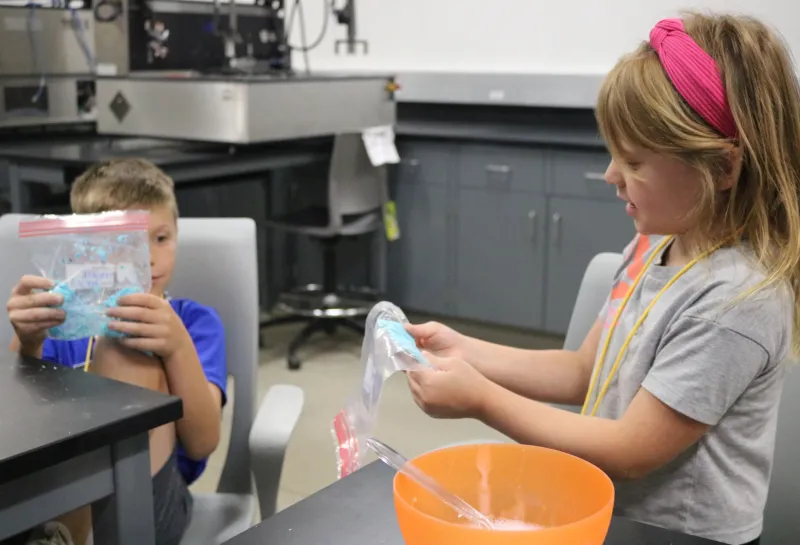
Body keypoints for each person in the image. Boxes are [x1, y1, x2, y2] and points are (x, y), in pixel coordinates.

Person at [404, 12, 800, 545]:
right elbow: (583, 370)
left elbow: (631, 451)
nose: (612, 175)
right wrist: (465, 352)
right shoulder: (653, 244)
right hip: (609, 517)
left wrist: (482, 399)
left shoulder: (734, 299)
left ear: (724, 169)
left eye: (634, 161)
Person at [5, 158, 227, 545]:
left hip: (150, 502)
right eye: (129, 243)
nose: (151, 258)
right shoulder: (60, 321)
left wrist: (176, 348)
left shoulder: (195, 322)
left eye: (161, 238)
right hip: (52, 497)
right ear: (87, 248)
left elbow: (203, 442)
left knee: (127, 351)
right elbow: (15, 422)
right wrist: (27, 341)